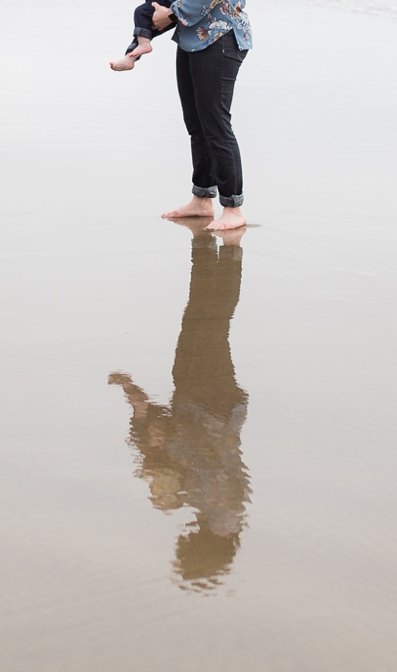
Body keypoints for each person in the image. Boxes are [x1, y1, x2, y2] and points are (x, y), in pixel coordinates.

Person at [108, 226, 251, 590]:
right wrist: (173, 488)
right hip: (212, 406)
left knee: (201, 319)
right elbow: (200, 459)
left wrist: (171, 484)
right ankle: (228, 251)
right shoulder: (222, 515)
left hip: (198, 404)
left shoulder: (213, 514)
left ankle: (209, 248)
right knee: (212, 323)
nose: (181, 537)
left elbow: (182, 454)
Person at [155, 0, 255, 232]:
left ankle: (234, 207)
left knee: (216, 124)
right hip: (191, 33)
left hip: (221, 35)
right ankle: (202, 199)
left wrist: (172, 12)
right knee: (196, 122)